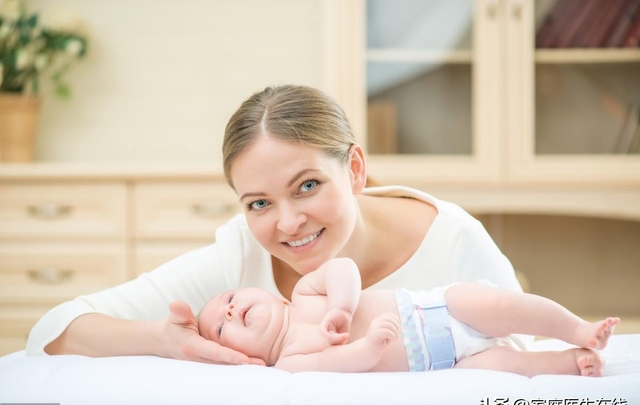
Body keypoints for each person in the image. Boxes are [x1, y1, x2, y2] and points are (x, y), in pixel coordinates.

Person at [28, 85, 528, 365]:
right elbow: (53, 332)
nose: (288, 223)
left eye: (307, 185)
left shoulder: (453, 242)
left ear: (354, 169)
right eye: (259, 202)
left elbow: (520, 366)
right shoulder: (240, 257)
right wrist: (161, 339)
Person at [197, 257, 619, 376]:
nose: (231, 309)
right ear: (242, 357)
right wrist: (368, 346)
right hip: (448, 362)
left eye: (229, 298)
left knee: (508, 307)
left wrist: (342, 307)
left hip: (441, 308)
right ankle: (568, 363)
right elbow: (343, 363)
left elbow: (342, 267)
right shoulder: (291, 360)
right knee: (509, 367)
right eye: (221, 326)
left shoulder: (303, 294)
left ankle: (576, 328)